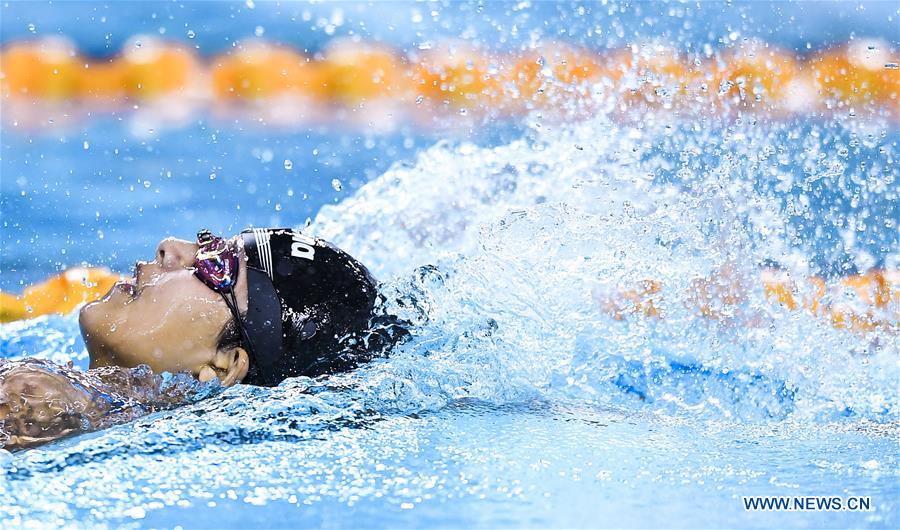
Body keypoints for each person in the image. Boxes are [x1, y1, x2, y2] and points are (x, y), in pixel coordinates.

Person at [0, 227, 405, 450]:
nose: (169, 249)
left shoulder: (36, 399)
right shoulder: (79, 408)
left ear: (225, 364)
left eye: (214, 267)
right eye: (207, 246)